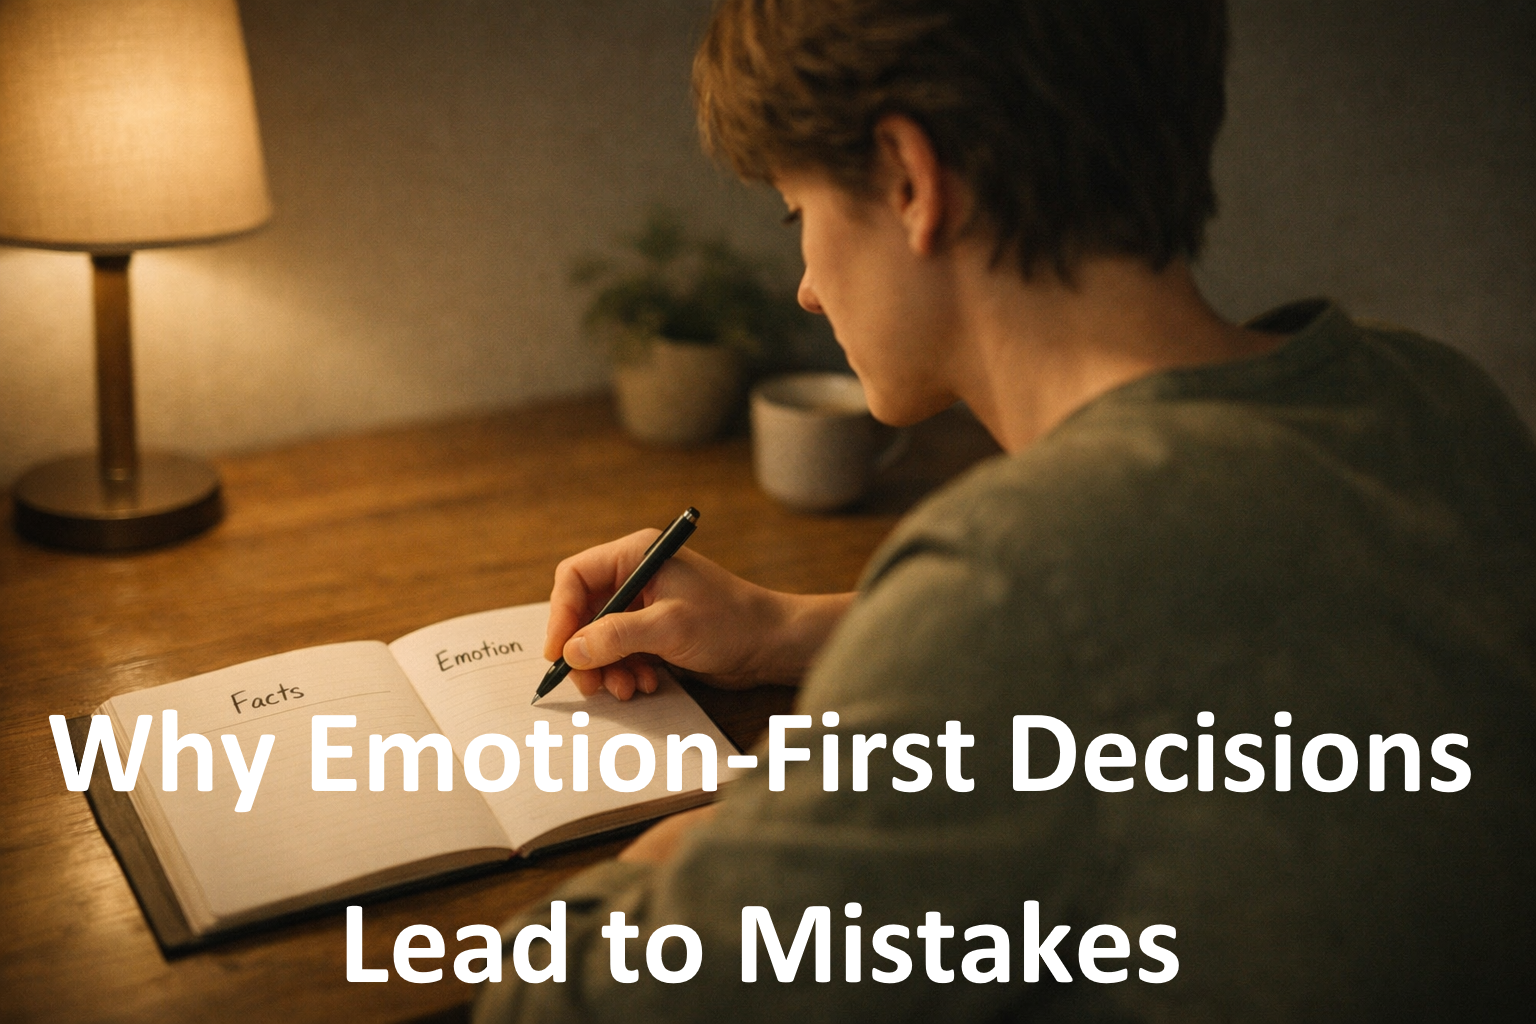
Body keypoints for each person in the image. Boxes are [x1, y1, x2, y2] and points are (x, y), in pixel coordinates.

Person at [476, 0, 1536, 1019]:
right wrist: (792, 631)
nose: (806, 285)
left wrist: (682, 854)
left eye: (802, 217)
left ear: (906, 178)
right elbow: (1202, 630)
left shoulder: (1016, 581)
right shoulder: (1431, 395)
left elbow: (560, 1010)